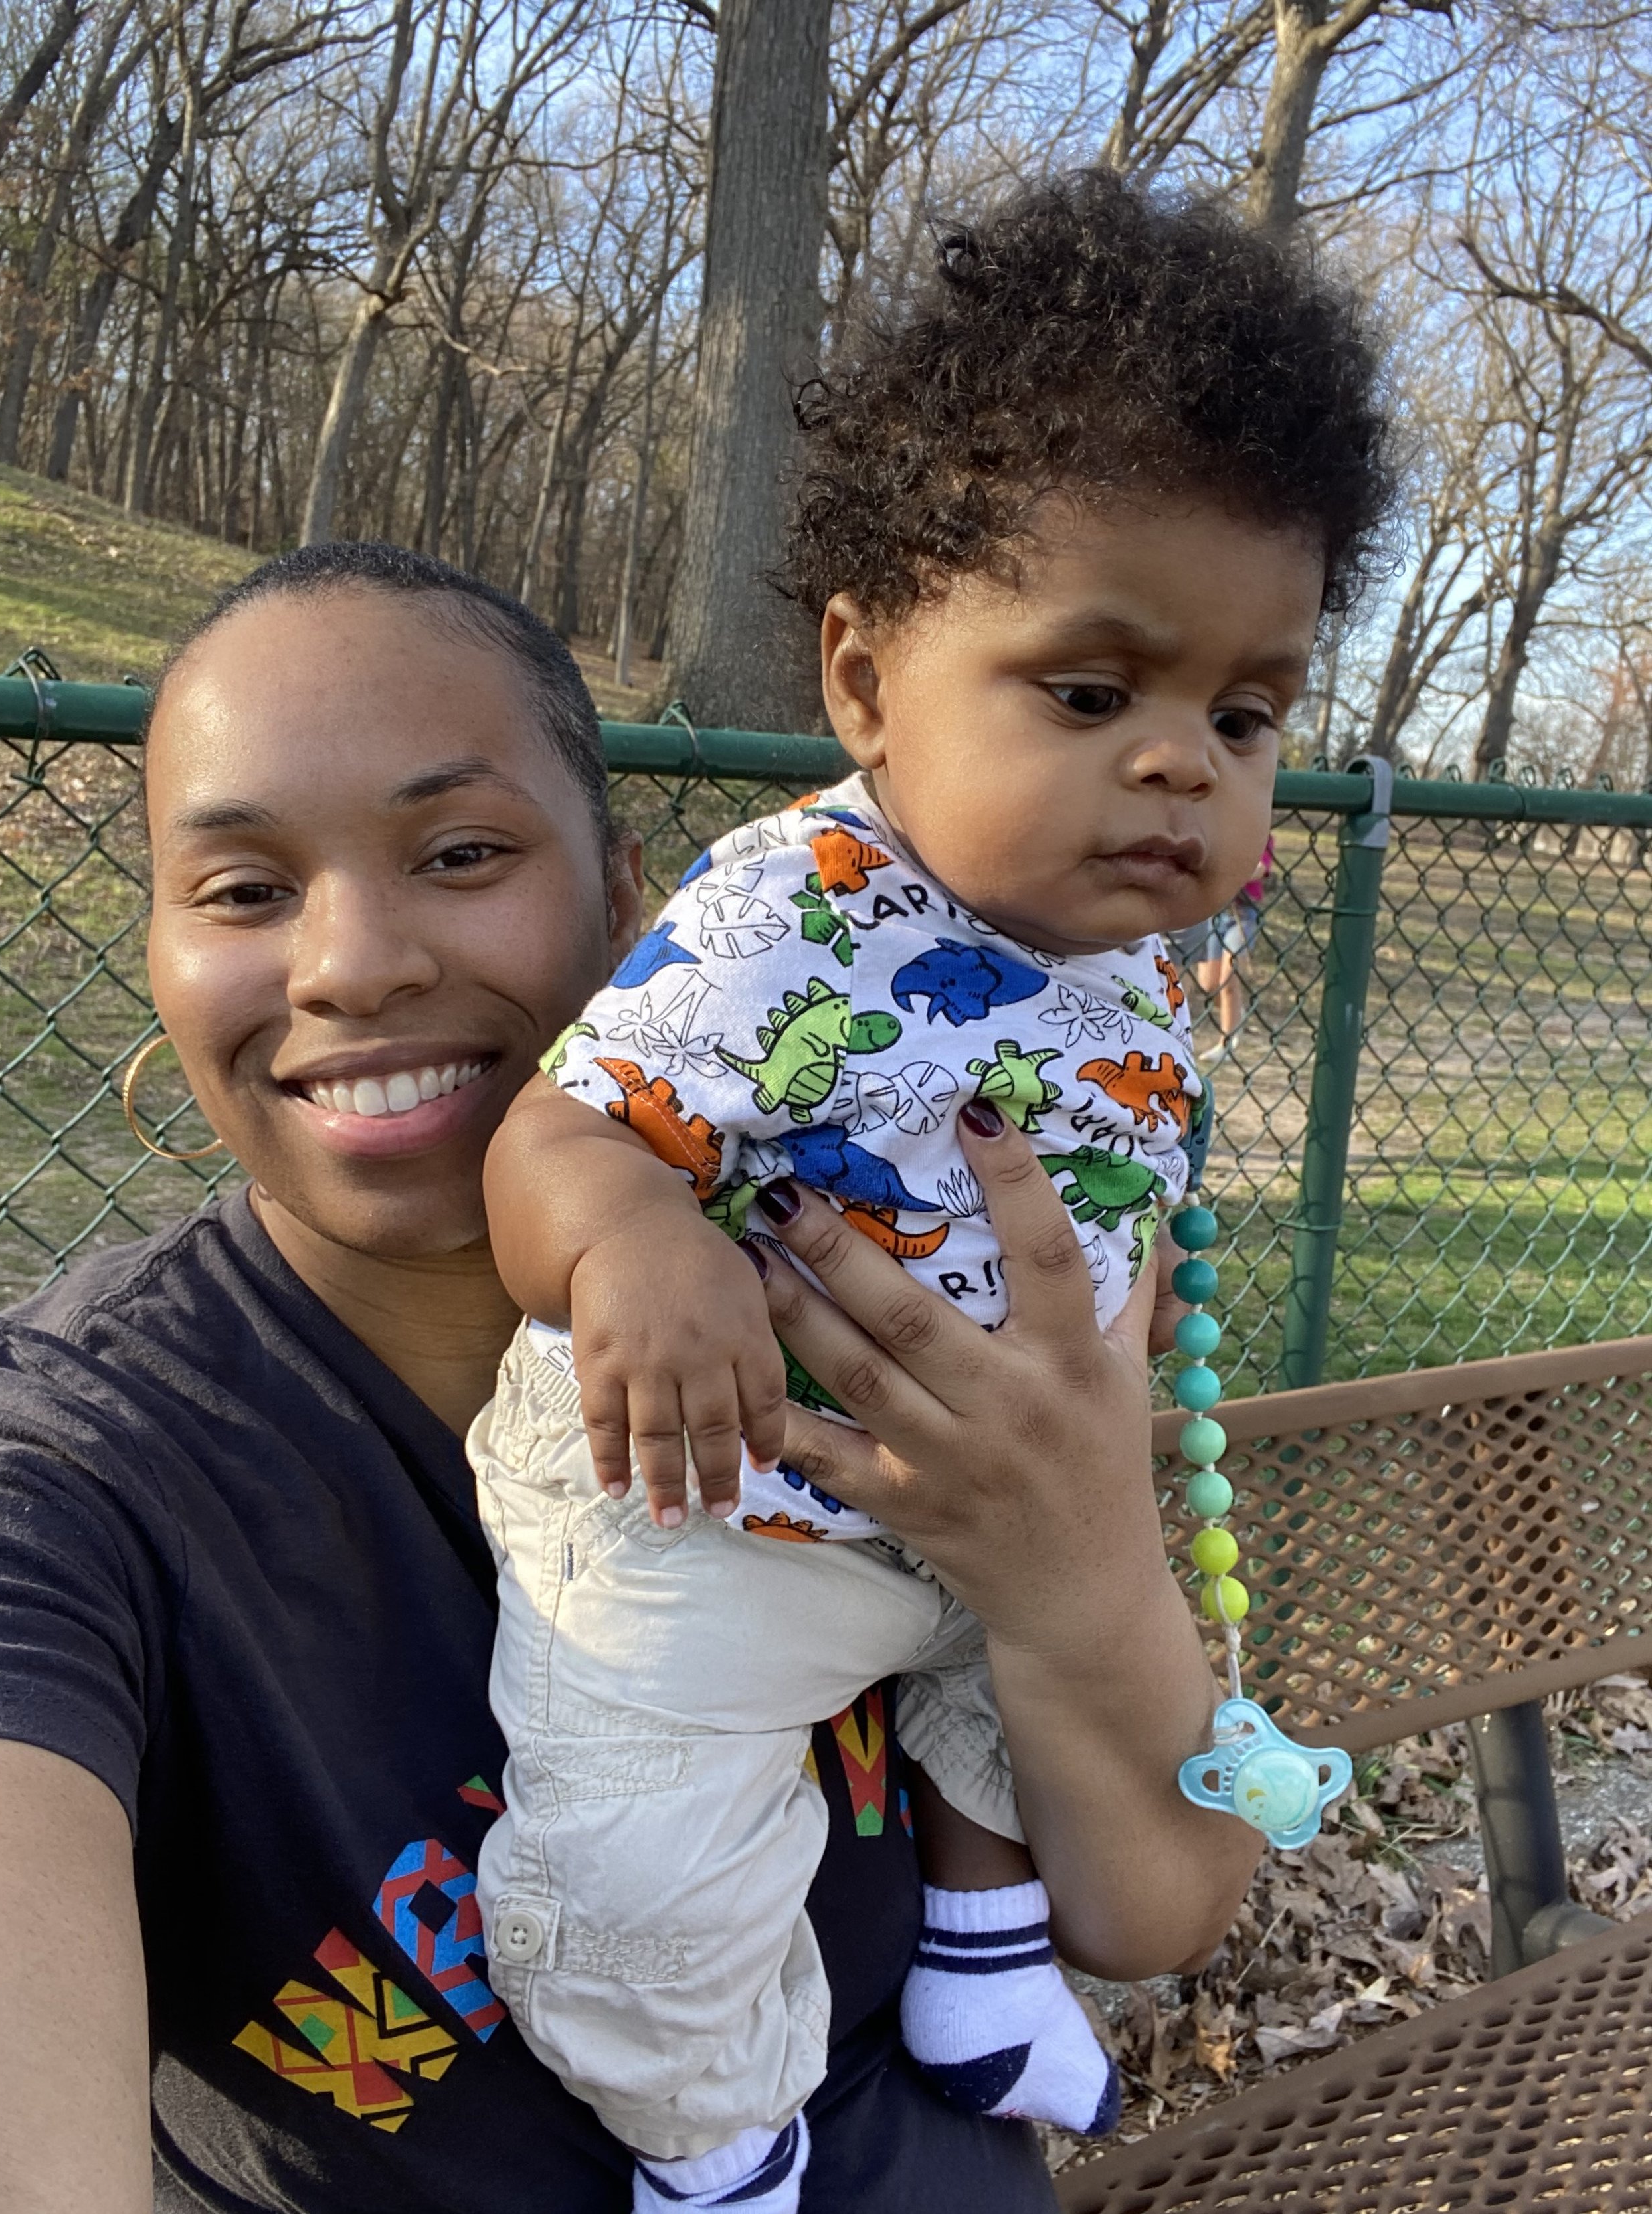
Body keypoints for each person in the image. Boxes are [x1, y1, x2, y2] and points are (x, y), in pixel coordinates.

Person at [0, 542, 1259, 2214]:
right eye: (240, 889)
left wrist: (1069, 1550)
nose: (350, 965)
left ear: (633, 906)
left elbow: (1160, 1909)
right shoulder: (80, 1477)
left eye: (459, 852)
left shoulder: (889, 1303)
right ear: (156, 948)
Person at [478, 171, 1394, 2212]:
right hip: (707, 1506)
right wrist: (631, 1232)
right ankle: (714, 2144)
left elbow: (1114, 1207)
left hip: (984, 1517)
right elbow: (553, 1134)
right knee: (629, 1852)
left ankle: (984, 1945)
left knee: (1039, 1667)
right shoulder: (787, 912)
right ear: (863, 678)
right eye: (1090, 692)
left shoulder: (1137, 956)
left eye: (1241, 713)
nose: (1181, 766)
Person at [1173, 837, 1275, 1045]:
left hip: (1243, 914)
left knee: (1228, 979)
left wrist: (1229, 873)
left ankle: (1227, 1042)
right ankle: (1236, 1010)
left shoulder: (1261, 837)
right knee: (1209, 984)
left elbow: (1261, 868)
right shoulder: (1226, 832)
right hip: (1218, 912)